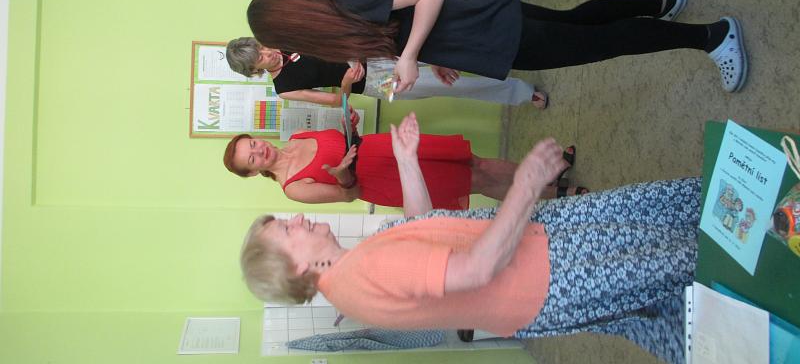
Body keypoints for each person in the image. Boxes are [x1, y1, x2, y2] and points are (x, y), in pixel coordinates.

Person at [239, 113, 699, 364]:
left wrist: (406, 160)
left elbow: (422, 229)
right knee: (672, 257)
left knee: (660, 267)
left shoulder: (349, 275)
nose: (298, 220)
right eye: (287, 230)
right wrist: (524, 186)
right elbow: (477, 270)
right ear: (296, 267)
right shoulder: (363, 272)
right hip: (544, 275)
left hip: (536, 256)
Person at [246, 0, 748, 93]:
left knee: (602, 43)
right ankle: (661, 4)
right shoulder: (339, 12)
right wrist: (431, 58)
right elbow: (403, 26)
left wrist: (411, 55)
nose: (288, 48)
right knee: (577, 20)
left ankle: (710, 37)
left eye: (283, 38)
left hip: (487, 30)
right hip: (475, 33)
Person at [223, 110, 582, 208]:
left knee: (474, 162)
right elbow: (349, 195)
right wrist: (344, 175)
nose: (258, 150)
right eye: (251, 158)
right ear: (253, 172)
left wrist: (351, 128)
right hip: (385, 180)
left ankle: (548, 171)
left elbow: (347, 144)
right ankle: (554, 193)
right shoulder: (293, 188)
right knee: (474, 181)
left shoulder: (295, 138)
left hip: (385, 148)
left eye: (252, 144)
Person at [225, 36, 547, 107]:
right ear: (254, 70)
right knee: (451, 85)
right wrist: (346, 83)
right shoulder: (284, 88)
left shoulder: (284, 38)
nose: (267, 53)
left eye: (261, 47)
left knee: (448, 51)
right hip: (376, 83)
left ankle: (512, 47)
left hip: (372, 50)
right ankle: (521, 93)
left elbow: (331, 35)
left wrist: (352, 51)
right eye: (260, 58)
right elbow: (337, 102)